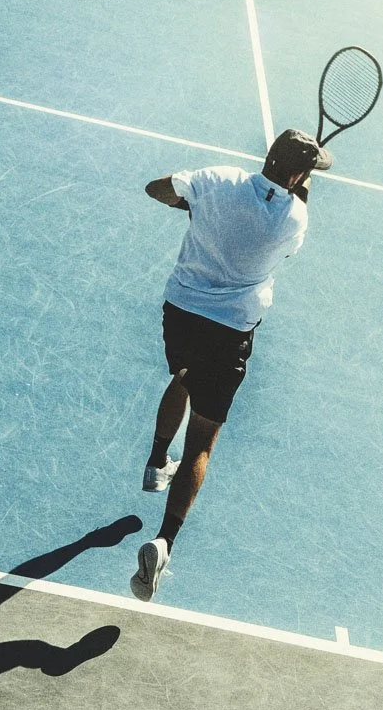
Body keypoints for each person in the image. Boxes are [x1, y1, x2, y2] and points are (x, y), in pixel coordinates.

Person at [130, 129, 333, 602]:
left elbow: (157, 188)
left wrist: (196, 205)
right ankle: (164, 543)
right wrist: (296, 190)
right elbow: (282, 217)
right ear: (300, 175)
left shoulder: (218, 179)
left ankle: (156, 462)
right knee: (201, 443)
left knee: (181, 377)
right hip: (230, 335)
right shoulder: (294, 219)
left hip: (180, 315)